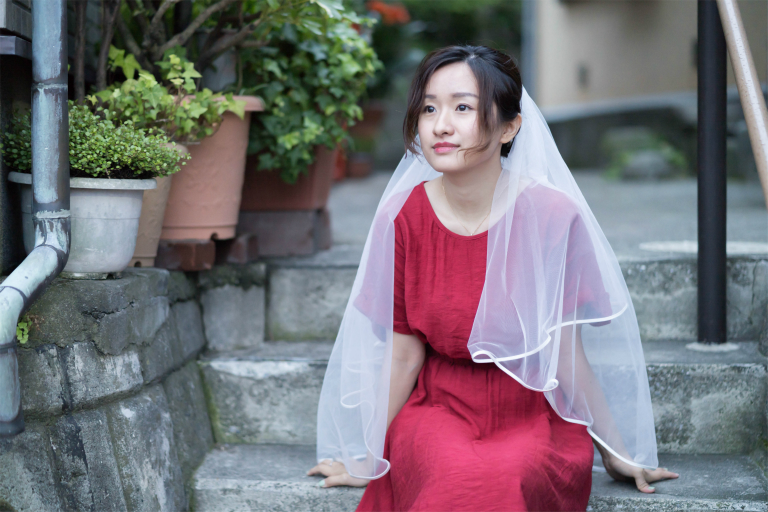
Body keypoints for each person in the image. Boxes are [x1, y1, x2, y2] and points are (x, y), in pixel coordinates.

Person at [308, 45, 679, 511]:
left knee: (504, 476)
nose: (441, 125)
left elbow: (566, 354)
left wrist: (615, 451)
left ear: (509, 127)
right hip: (437, 409)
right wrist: (366, 457)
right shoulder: (403, 216)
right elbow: (403, 355)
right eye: (429, 108)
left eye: (462, 108)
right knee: (453, 475)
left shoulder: (552, 215)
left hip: (532, 414)